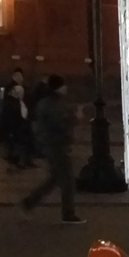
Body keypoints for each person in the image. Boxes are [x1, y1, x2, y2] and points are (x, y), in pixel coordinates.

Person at [19, 74, 83, 224]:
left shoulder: (47, 102)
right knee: (67, 181)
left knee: (54, 178)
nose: (66, 88)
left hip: (50, 144)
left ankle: (29, 203)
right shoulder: (53, 104)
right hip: (56, 145)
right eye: (64, 85)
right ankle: (68, 214)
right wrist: (76, 118)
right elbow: (60, 125)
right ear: (58, 87)